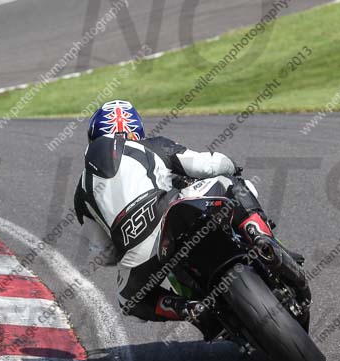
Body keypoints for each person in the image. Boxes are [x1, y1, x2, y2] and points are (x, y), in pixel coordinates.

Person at [74, 100, 289, 334]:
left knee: (129, 301)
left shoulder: (81, 191)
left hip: (140, 253)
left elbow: (104, 253)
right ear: (137, 130)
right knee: (232, 185)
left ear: (93, 136)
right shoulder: (152, 146)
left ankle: (188, 308)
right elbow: (207, 165)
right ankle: (261, 239)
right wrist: (231, 167)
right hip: (169, 211)